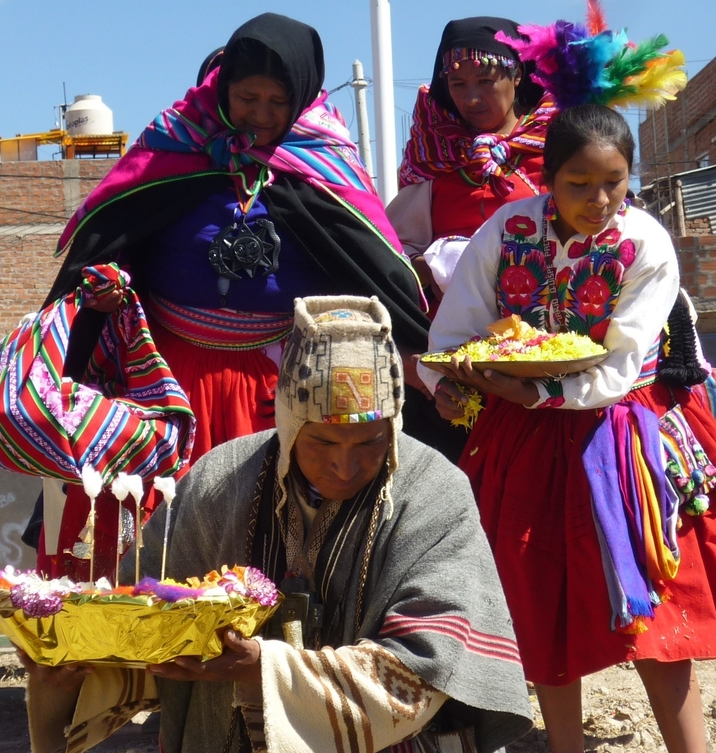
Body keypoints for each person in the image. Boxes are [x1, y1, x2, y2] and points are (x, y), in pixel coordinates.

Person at [21, 295, 533, 753]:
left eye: (371, 443)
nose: (345, 467)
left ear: (394, 427)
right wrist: (79, 659)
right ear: (289, 425)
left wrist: (262, 668)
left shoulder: (434, 490)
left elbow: (427, 662)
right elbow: (152, 616)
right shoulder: (220, 480)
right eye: (323, 443)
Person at [37, 12, 429, 577]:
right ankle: (142, 646)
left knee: (266, 524)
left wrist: (418, 352)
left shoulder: (324, 160)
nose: (262, 116)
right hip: (168, 376)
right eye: (248, 97)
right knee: (153, 524)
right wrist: (105, 290)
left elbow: (367, 261)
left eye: (277, 101)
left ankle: (260, 649)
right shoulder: (174, 144)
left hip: (278, 381)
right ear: (222, 89)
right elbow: (120, 233)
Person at [420, 103, 716, 753]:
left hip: (626, 435)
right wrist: (454, 383)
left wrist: (535, 389)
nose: (598, 200)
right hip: (525, 440)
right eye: (578, 183)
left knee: (653, 601)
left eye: (614, 181)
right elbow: (453, 335)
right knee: (538, 596)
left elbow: (624, 364)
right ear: (548, 176)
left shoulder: (646, 243)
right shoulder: (506, 230)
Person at [385, 17, 553, 462]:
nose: (472, 97)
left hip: (545, 357)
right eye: (457, 84)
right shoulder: (433, 166)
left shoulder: (558, 159)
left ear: (518, 76)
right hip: (454, 368)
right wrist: (428, 266)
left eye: (485, 80)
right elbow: (395, 261)